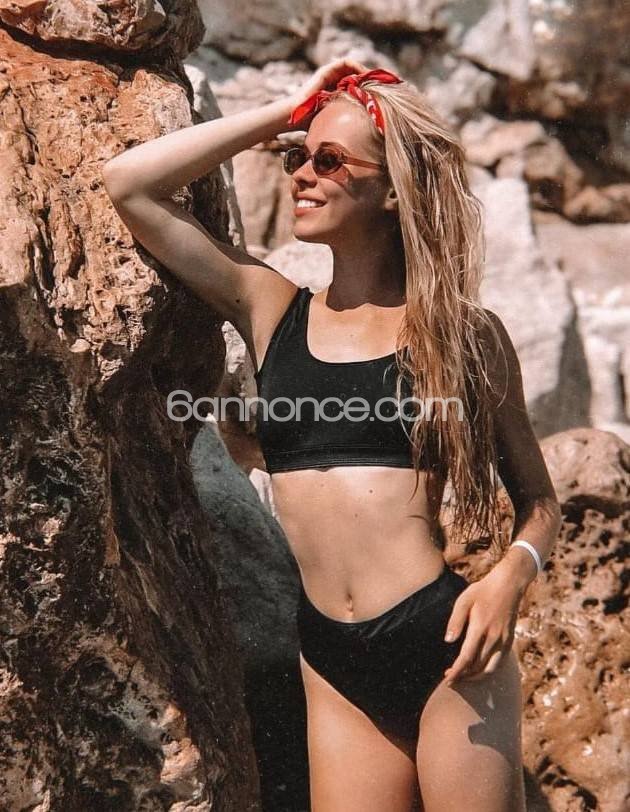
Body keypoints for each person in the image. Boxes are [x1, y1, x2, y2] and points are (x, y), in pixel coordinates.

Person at [102, 58, 563, 812]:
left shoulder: (461, 336)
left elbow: (539, 501)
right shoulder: (270, 309)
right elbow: (129, 184)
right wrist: (288, 108)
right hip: (330, 659)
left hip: (445, 647)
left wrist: (510, 577)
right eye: (297, 157)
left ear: (392, 189)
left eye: (329, 160)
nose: (302, 176)